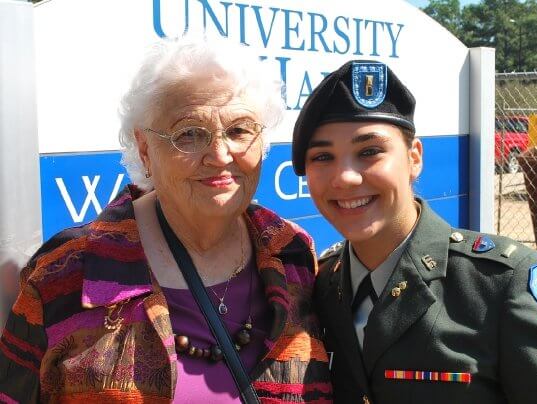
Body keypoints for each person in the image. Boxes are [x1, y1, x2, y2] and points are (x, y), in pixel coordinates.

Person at [0, 37, 332, 403]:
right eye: (189, 134)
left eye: (239, 130)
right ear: (145, 149)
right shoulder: (65, 274)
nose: (220, 155)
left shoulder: (291, 253)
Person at [291, 60, 537, 403]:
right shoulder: (318, 286)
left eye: (369, 152)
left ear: (414, 158)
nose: (345, 177)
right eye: (322, 157)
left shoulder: (502, 285)